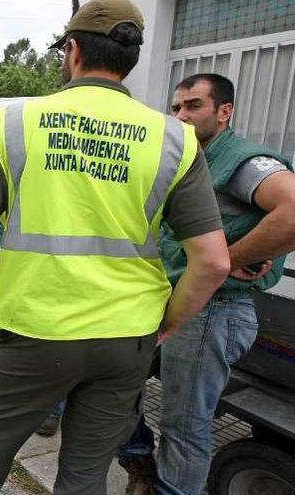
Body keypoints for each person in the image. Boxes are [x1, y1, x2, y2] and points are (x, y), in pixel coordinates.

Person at [0, 1, 233, 493]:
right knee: (85, 474)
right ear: (131, 58)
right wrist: (166, 323)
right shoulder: (174, 139)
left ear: (73, 51)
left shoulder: (18, 123)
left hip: (32, 330)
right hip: (126, 336)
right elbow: (214, 261)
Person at [117, 73, 295, 495]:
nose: (180, 114)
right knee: (115, 391)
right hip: (168, 303)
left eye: (193, 105)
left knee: (183, 426)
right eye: (176, 107)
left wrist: (226, 260)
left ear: (224, 111)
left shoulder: (243, 161)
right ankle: (140, 464)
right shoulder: (190, 158)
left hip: (212, 311)